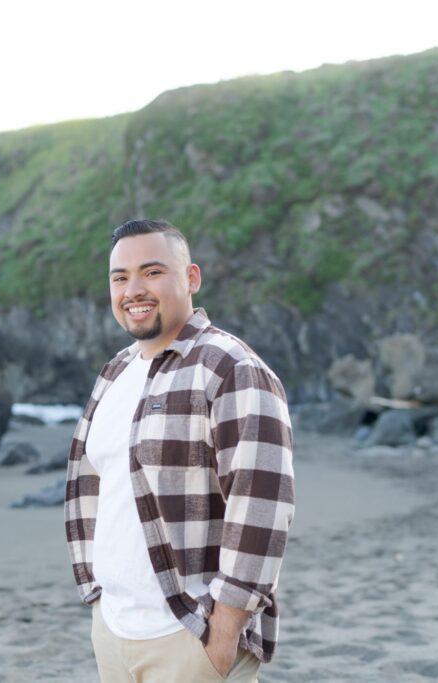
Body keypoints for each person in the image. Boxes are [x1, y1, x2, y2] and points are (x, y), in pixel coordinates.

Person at [64, 219, 295, 682]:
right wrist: (96, 594)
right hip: (112, 628)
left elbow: (262, 502)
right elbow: (96, 487)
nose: (134, 290)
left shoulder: (230, 367)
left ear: (191, 278)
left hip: (189, 630)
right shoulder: (115, 373)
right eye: (120, 277)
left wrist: (225, 630)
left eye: (152, 272)